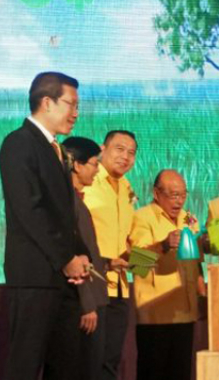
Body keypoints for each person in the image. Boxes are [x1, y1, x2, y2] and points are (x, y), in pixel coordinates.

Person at [0, 71, 89, 380]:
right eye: (71, 104)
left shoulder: (57, 150)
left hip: (63, 279)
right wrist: (66, 258)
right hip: (35, 275)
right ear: (47, 102)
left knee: (65, 366)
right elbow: (30, 210)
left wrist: (78, 254)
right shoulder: (18, 143)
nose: (76, 113)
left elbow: (63, 215)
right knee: (25, 364)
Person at [130, 169, 204, 380]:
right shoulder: (142, 217)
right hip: (155, 314)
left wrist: (202, 295)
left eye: (182, 194)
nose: (179, 201)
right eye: (173, 195)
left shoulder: (189, 219)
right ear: (156, 193)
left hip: (185, 311)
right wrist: (163, 245)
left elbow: (196, 262)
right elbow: (136, 263)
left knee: (180, 373)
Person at [83, 130, 137, 380]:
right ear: (102, 149)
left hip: (119, 287)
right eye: (119, 149)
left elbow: (123, 234)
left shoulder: (126, 186)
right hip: (91, 282)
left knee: (110, 360)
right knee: (89, 359)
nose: (125, 156)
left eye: (131, 152)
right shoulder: (89, 180)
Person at [63, 136, 109, 380]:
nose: (97, 169)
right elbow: (73, 255)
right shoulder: (67, 202)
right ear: (77, 165)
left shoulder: (77, 200)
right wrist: (87, 304)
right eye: (94, 163)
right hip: (86, 304)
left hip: (94, 299)